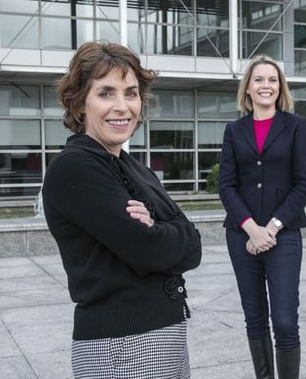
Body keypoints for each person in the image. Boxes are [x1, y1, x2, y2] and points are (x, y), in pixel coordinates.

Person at [41, 41, 202, 378]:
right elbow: (148, 249)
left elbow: (193, 245)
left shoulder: (132, 167)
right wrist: (165, 231)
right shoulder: (76, 168)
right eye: (106, 93)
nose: (122, 106)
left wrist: (162, 228)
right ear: (80, 102)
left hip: (162, 333)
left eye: (130, 93)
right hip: (123, 345)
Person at [218, 55, 306, 379]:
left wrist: (270, 228)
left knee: (285, 320)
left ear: (280, 87)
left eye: (272, 80)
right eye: (258, 80)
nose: (266, 86)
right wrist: (250, 228)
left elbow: (304, 184)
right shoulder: (234, 130)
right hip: (241, 235)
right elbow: (226, 185)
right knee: (254, 317)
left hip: (283, 235)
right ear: (247, 88)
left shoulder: (296, 126)